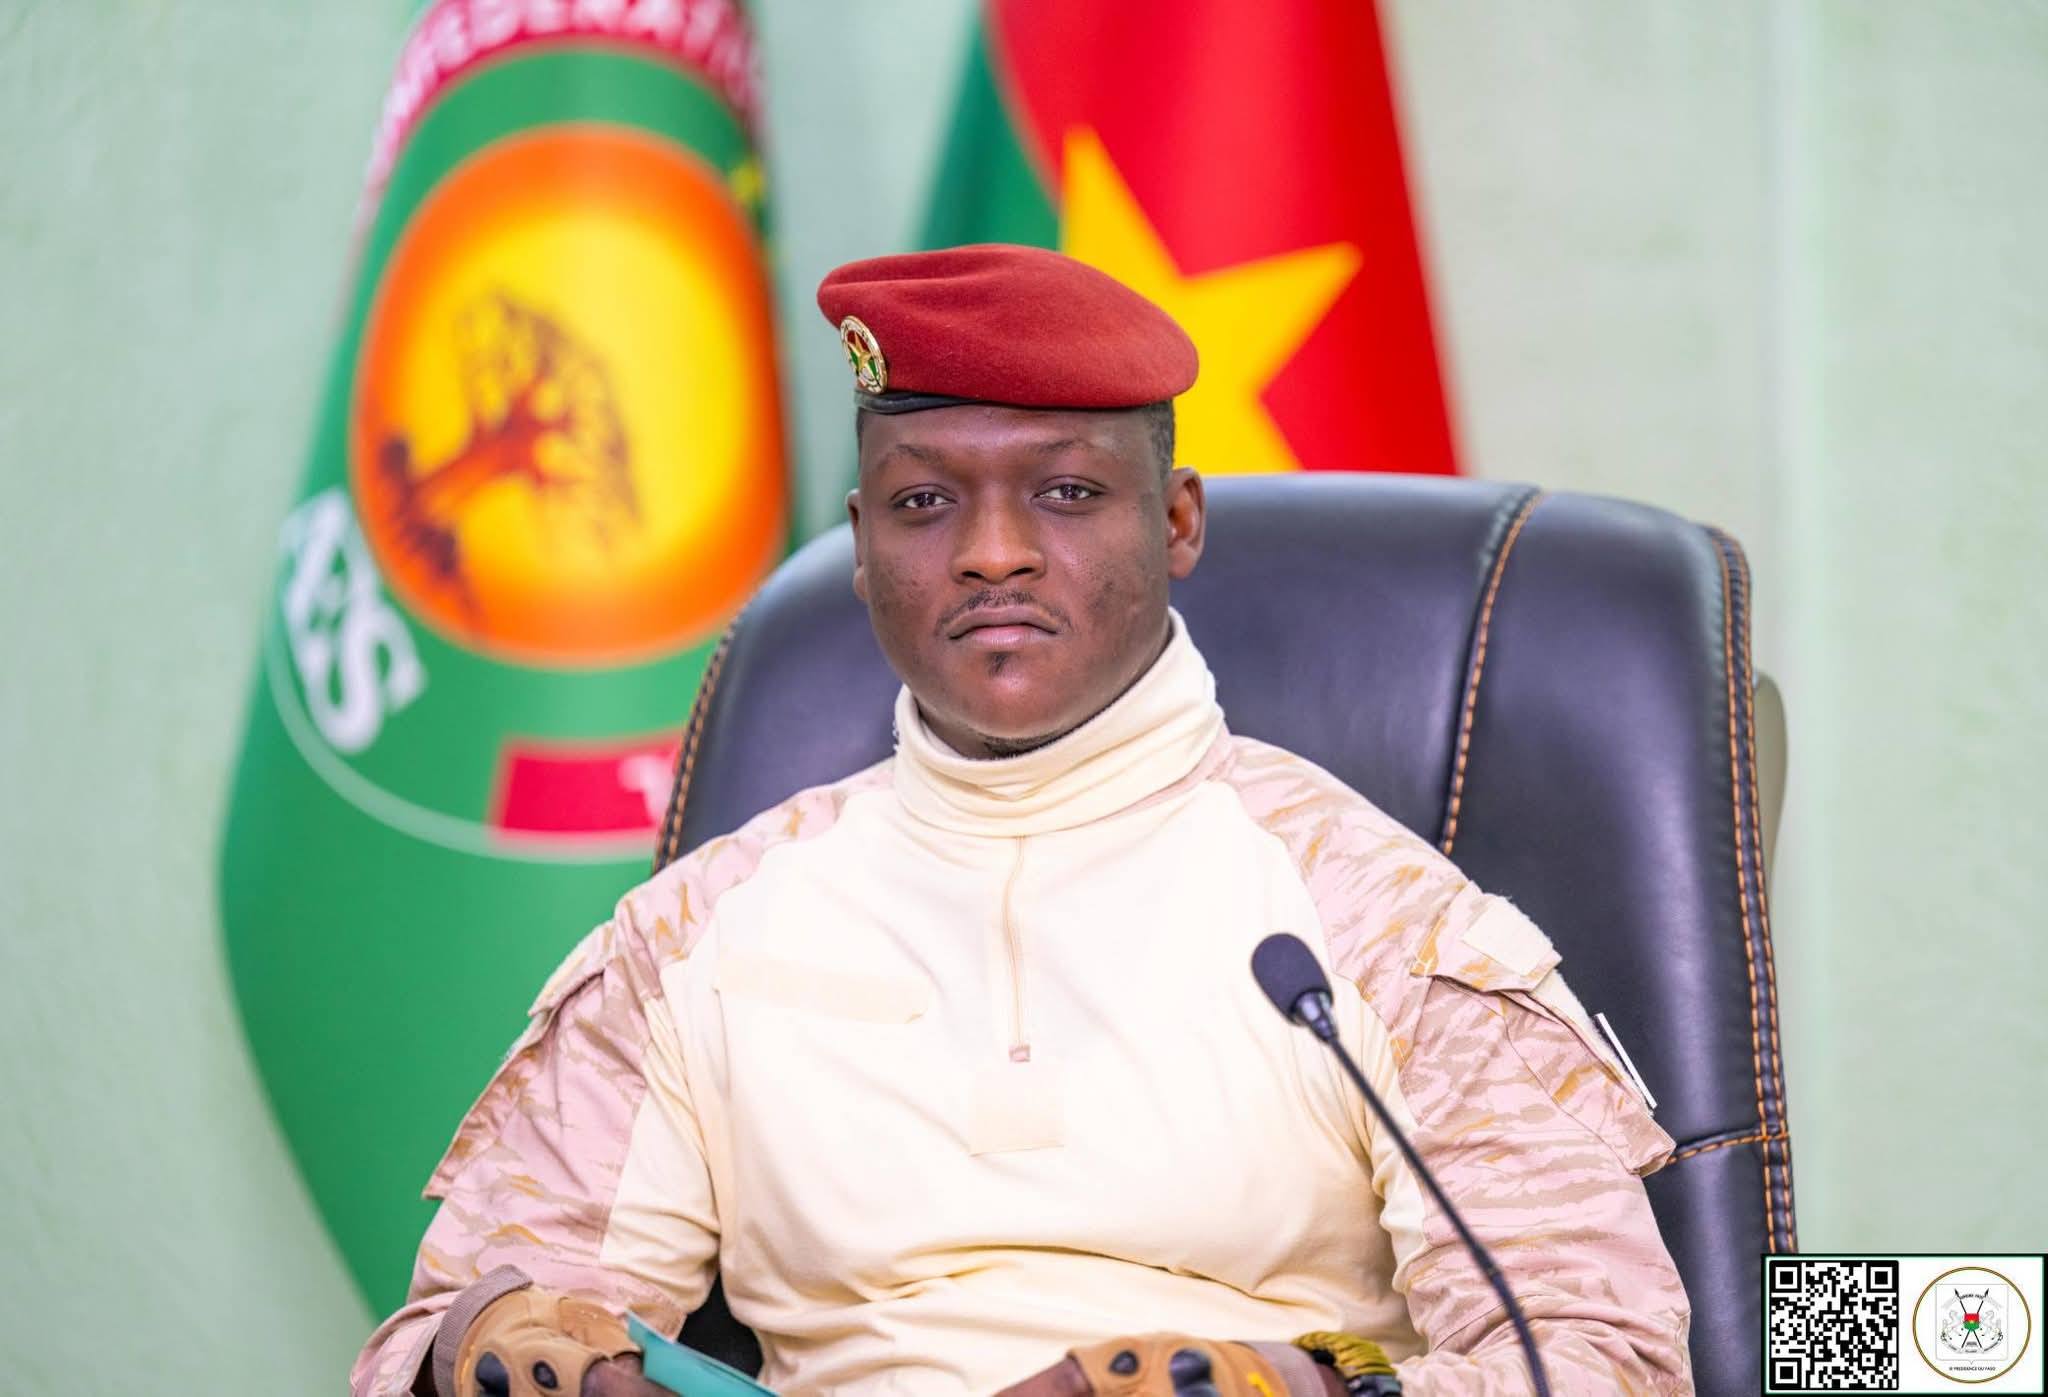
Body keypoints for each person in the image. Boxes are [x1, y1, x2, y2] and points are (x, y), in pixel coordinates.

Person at [352, 244, 1692, 1397]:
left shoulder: (1379, 924)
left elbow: (1599, 1355)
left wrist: (1297, 1386)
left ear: (1176, 521)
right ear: (862, 541)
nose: (992, 552)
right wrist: (487, 1345)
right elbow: (463, 1321)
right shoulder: (698, 933)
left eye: (1065, 492)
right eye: (925, 503)